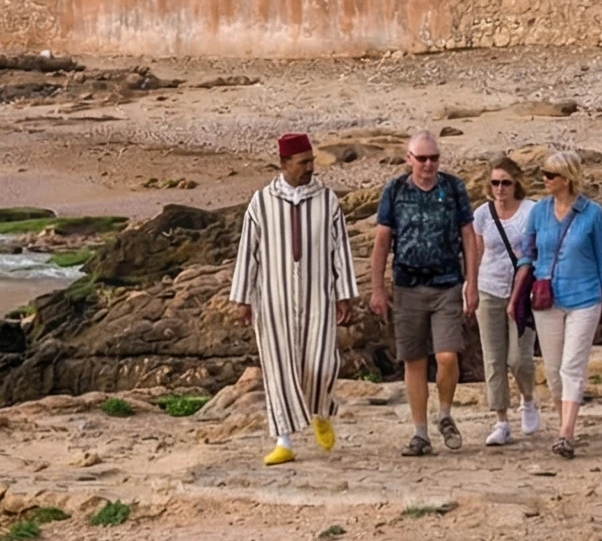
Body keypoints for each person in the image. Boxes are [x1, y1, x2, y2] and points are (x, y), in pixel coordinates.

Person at [228, 133, 359, 465]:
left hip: (318, 295)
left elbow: (340, 249)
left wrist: (344, 294)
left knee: (323, 363)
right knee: (279, 367)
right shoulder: (261, 202)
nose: (310, 167)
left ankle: (321, 410)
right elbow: (248, 251)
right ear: (285, 163)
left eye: (311, 161)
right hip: (273, 301)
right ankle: (283, 441)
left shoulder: (327, 200)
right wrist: (242, 299)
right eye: (303, 163)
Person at [368, 130, 479, 456]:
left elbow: (468, 236)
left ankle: (444, 413)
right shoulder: (395, 190)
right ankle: (420, 433)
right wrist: (377, 288)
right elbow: (382, 241)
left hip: (447, 284)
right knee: (414, 361)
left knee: (447, 355)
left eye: (434, 158)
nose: (429, 164)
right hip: (407, 287)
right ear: (409, 159)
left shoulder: (453, 188)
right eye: (422, 159)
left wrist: (472, 282)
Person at [525, 149, 602, 460]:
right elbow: (528, 251)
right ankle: (563, 423)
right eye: (543, 173)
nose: (544, 179)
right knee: (553, 370)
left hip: (585, 297)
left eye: (550, 174)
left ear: (567, 178)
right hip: (547, 298)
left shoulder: (593, 213)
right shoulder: (539, 211)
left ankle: (566, 432)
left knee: (572, 366)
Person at [465, 155, 542, 446]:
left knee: (518, 358)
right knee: (493, 358)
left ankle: (528, 399)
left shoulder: (531, 211)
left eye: (505, 183)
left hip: (522, 292)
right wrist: (469, 286)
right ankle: (501, 420)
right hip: (489, 288)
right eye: (495, 183)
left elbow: (538, 249)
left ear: (516, 183)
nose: (500, 188)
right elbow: (476, 252)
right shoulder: (482, 214)